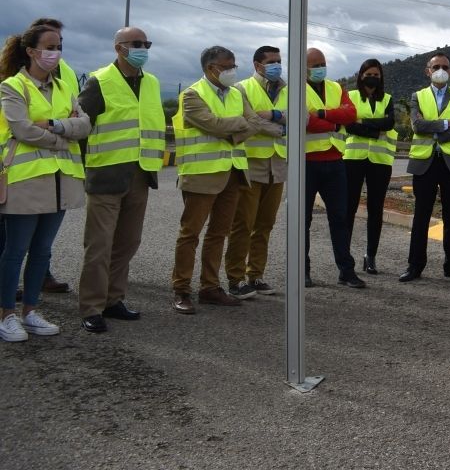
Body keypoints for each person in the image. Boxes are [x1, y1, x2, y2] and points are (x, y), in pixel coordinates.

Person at [171, 46, 279, 314]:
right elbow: (213, 125)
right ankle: (181, 289)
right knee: (190, 234)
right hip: (201, 175)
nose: (232, 70)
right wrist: (237, 125)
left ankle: (210, 287)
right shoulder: (192, 95)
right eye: (227, 66)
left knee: (219, 233)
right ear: (211, 68)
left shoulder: (236, 93)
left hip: (234, 173)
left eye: (233, 65)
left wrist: (231, 127)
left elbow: (252, 123)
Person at [0, 24, 90, 342]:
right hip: (25, 181)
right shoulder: (13, 86)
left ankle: (31, 311)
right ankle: (6, 314)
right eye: (50, 46)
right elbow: (22, 130)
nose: (55, 52)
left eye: (59, 45)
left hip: (60, 181)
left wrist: (54, 125)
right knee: (16, 249)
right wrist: (63, 138)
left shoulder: (65, 87)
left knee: (42, 251)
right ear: (31, 51)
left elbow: (85, 124)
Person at [75, 27, 165, 333]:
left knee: (128, 242)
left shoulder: (151, 82)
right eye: (137, 44)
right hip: (105, 174)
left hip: (141, 174)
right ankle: (91, 306)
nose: (143, 48)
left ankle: (114, 299)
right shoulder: (100, 80)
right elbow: (81, 127)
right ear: (119, 48)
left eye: (147, 44)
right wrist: (86, 167)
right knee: (99, 245)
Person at [399, 52, 450, 283]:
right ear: (427, 71)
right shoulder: (417, 96)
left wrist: (435, 130)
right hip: (425, 163)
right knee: (421, 216)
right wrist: (444, 124)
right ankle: (414, 266)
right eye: (436, 66)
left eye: (445, 67)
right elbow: (417, 126)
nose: (440, 70)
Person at [225, 46, 288, 299]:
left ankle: (256, 274)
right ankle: (235, 278)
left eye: (279, 61)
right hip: (252, 164)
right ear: (257, 65)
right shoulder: (241, 89)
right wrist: (283, 126)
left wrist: (274, 115)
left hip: (278, 165)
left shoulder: (289, 89)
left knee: (265, 224)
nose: (277, 65)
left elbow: (303, 119)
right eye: (272, 61)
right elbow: (251, 121)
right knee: (243, 223)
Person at [302, 48, 365, 289]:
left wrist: (322, 114)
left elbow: (351, 114)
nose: (320, 68)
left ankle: (346, 271)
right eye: (314, 64)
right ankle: (302, 270)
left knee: (340, 218)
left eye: (323, 63)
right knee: (303, 220)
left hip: (336, 161)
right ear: (303, 66)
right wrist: (334, 120)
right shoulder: (295, 89)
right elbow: (305, 121)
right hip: (306, 162)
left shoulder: (337, 88)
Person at [344, 59, 397, 275]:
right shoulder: (350, 96)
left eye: (377, 74)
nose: (373, 77)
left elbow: (390, 123)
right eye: (369, 73)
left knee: (376, 210)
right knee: (349, 208)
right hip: (353, 159)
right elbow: (348, 125)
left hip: (380, 162)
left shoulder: (388, 99)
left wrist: (363, 122)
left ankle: (370, 256)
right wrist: (375, 130)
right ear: (361, 74)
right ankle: (345, 256)